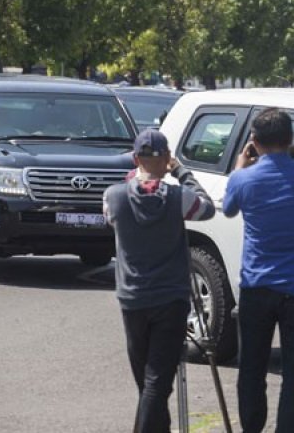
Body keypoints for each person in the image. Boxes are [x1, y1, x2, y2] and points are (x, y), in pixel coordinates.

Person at [102, 129, 215, 433]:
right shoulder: (180, 197)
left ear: (135, 158)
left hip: (132, 298)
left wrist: (138, 174)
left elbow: (111, 217)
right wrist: (181, 172)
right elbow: (207, 207)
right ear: (166, 160)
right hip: (170, 298)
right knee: (156, 384)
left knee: (149, 383)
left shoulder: (113, 196)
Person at [223, 108, 294, 433]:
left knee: (251, 368)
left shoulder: (243, 179)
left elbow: (227, 208)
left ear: (253, 141)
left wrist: (240, 167)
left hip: (257, 285)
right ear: (291, 139)